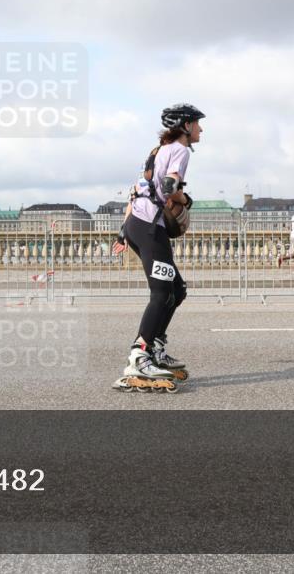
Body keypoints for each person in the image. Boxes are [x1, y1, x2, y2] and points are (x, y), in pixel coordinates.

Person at [110, 103, 204, 392]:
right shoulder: (180, 150)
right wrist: (184, 200)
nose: (201, 129)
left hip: (137, 225)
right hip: (150, 226)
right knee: (162, 292)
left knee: (177, 289)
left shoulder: (157, 151)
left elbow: (138, 189)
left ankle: (156, 349)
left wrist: (123, 233)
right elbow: (166, 186)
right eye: (197, 123)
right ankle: (139, 355)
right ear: (185, 126)